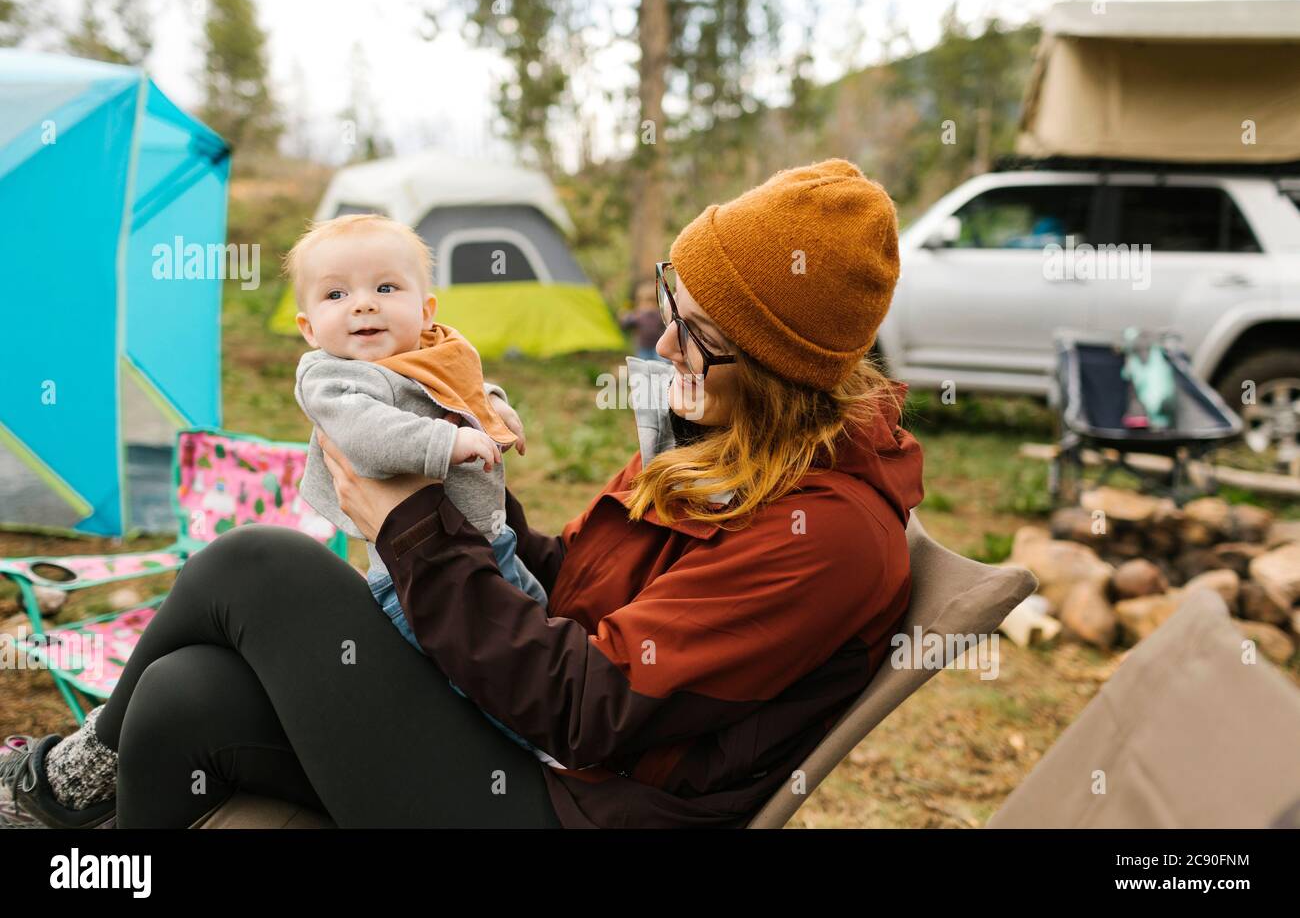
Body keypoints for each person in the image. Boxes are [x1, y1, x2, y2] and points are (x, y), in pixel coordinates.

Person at [0, 158, 924, 829]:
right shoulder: (726, 444)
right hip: (537, 752)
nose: (667, 345)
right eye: (671, 304)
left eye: (704, 336)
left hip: (570, 802)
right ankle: (82, 810)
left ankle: (55, 788)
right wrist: (471, 490)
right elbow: (573, 591)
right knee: (182, 698)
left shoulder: (828, 538)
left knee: (264, 564)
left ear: (781, 370)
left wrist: (412, 528)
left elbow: (590, 706)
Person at [287, 213, 553, 760]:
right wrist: (445, 443)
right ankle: (523, 748)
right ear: (310, 327)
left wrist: (496, 407)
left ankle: (559, 715)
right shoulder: (334, 377)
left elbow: (465, 388)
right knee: (475, 670)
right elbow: (367, 434)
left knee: (537, 622)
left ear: (425, 310)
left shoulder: (433, 351)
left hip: (490, 540)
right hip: (415, 574)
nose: (363, 304)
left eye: (386, 287)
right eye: (336, 294)